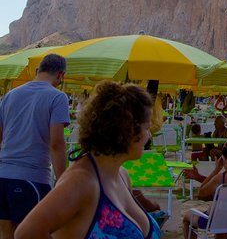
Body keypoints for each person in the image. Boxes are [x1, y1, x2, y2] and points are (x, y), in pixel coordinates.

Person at [13, 81, 158, 239]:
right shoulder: (81, 181)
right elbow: (27, 233)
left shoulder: (121, 175)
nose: (148, 135)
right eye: (146, 127)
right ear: (128, 129)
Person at [0, 53, 70, 239]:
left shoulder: (10, 96)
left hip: (2, 176)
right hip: (32, 179)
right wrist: (63, 181)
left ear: (38, 70)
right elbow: (56, 143)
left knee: (6, 233)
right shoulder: (57, 98)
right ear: (60, 75)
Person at [181, 140, 227, 239]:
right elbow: (214, 187)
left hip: (217, 220)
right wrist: (198, 177)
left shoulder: (222, 178)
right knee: (226, 216)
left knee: (187, 217)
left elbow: (202, 194)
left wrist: (216, 169)